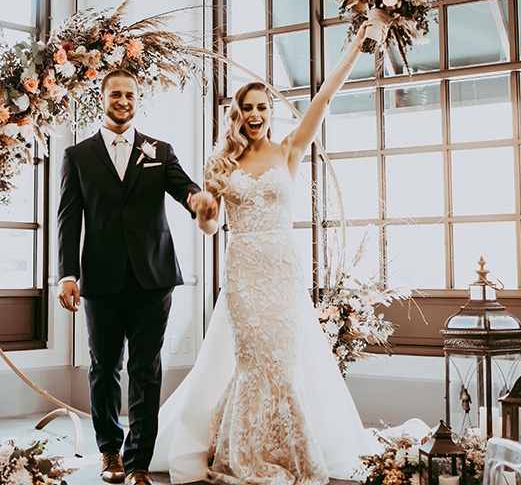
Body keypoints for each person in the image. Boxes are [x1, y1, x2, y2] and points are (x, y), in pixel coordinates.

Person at [150, 28, 379, 485]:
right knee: (253, 360)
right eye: (246, 108)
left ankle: (288, 449)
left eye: (261, 108)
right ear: (237, 115)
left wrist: (357, 45)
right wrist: (207, 214)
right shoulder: (222, 163)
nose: (254, 115)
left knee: (283, 360)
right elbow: (210, 225)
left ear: (271, 114)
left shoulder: (289, 150)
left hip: (282, 270)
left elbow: (326, 94)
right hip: (243, 271)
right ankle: (244, 450)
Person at [57, 69, 217, 485]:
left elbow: (185, 189)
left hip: (153, 278)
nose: (123, 100)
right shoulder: (78, 156)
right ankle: (109, 452)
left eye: (130, 95)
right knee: (104, 366)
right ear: (102, 96)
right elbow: (68, 220)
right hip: (101, 280)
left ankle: (138, 464)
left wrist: (198, 199)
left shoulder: (159, 151)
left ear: (137, 98)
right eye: (116, 94)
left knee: (146, 369)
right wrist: (67, 275)